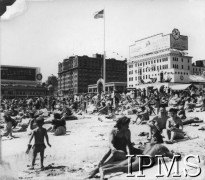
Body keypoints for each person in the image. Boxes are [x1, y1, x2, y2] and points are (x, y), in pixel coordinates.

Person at [98, 140, 180, 180]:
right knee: (124, 169)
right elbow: (173, 157)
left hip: (138, 156)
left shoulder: (150, 145)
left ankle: (101, 169)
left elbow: (141, 149)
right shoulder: (163, 147)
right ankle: (104, 172)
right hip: (146, 160)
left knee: (119, 164)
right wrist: (176, 154)